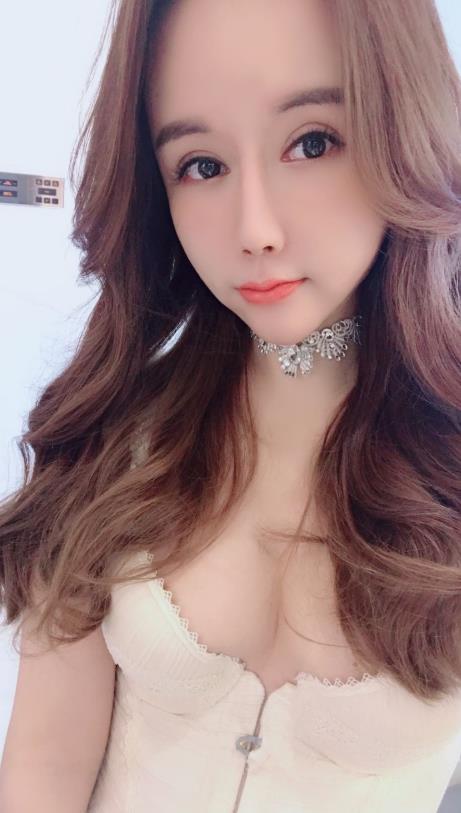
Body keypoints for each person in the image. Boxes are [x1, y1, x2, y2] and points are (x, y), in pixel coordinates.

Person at [1, 0, 461, 811]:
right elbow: (44, 762)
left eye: (312, 142)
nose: (254, 229)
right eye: (201, 164)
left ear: (404, 129)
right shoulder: (118, 437)